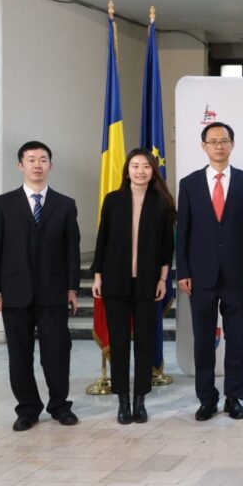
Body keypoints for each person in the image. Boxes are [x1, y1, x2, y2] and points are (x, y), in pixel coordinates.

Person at [0, 141, 80, 431]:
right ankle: (27, 409)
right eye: (31, 159)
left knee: (57, 354)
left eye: (43, 159)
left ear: (51, 165)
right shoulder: (2, 204)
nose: (37, 164)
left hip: (54, 293)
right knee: (19, 356)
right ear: (20, 165)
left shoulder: (65, 204)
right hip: (14, 294)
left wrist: (72, 289)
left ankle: (60, 406)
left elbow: (72, 251)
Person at [177, 121, 243, 421]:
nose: (219, 146)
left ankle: (234, 397)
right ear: (204, 146)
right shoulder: (189, 183)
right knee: (203, 341)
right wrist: (183, 271)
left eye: (224, 141)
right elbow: (183, 231)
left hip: (237, 275)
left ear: (232, 144)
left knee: (236, 339)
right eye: (213, 141)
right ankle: (206, 398)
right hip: (200, 276)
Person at [91, 148, 175, 424]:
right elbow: (102, 240)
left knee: (144, 342)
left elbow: (167, 247)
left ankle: (140, 399)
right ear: (127, 171)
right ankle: (123, 400)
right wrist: (98, 276)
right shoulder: (113, 200)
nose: (140, 171)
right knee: (119, 344)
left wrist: (162, 279)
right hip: (115, 281)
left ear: (153, 171)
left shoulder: (161, 203)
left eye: (146, 166)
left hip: (148, 283)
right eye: (135, 166)